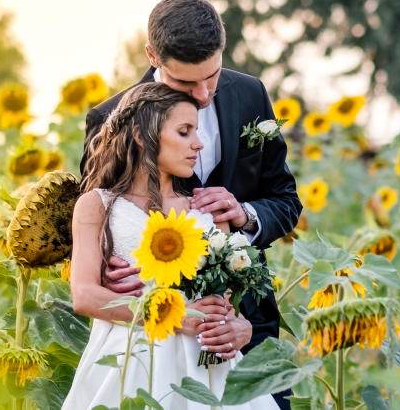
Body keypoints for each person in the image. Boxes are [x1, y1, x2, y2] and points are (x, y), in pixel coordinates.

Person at [79, 0, 300, 409]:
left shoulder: (251, 95)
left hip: (241, 326)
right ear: (152, 56)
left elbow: (285, 200)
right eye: (186, 83)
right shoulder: (110, 121)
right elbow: (96, 233)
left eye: (212, 76)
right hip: (143, 348)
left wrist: (246, 215)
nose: (202, 94)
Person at [64, 83, 278, 409]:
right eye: (184, 131)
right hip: (131, 360)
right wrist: (177, 318)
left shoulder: (208, 210)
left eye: (196, 130)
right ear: (140, 135)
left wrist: (240, 327)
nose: (198, 143)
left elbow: (226, 306)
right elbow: (85, 295)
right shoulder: (96, 206)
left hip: (211, 374)